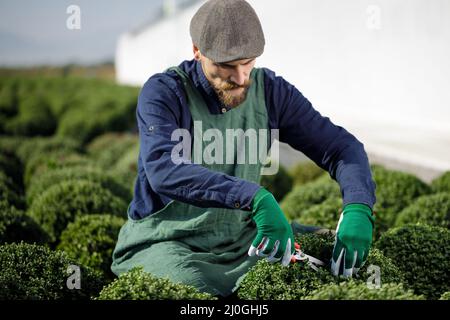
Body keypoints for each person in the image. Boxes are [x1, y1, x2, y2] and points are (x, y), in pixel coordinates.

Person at [111, 0, 376, 298]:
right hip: (168, 241)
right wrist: (253, 197)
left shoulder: (272, 91)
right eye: (226, 65)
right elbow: (164, 169)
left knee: (329, 256)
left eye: (247, 62)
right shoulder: (164, 93)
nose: (240, 78)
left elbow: (342, 148)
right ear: (197, 50)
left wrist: (358, 207)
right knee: (197, 294)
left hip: (243, 238)